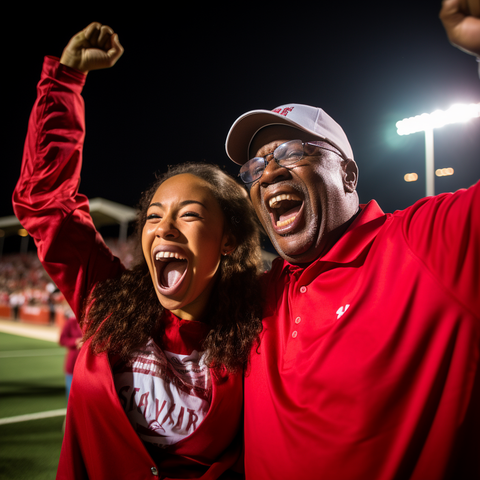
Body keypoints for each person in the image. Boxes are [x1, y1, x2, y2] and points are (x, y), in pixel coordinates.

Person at [224, 1, 480, 479]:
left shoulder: (426, 244)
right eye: (254, 167)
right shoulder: (260, 293)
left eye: (292, 151)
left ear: (347, 172)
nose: (269, 172)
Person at [13, 22, 263, 480]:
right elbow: (46, 202)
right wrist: (64, 81)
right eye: (152, 216)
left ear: (228, 240)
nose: (163, 227)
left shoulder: (262, 332)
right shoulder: (106, 299)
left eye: (188, 214)